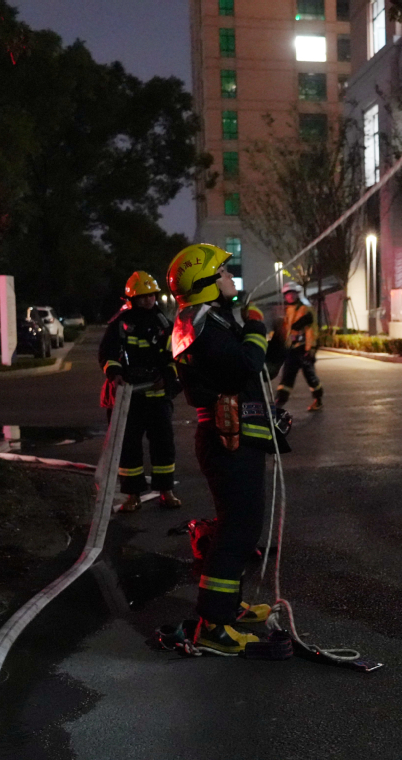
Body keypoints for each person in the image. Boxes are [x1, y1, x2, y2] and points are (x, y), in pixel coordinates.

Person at [168, 243, 291, 655]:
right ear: (205, 283)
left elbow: (259, 369)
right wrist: (255, 327)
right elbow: (244, 365)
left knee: (240, 528)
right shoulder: (203, 326)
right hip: (227, 443)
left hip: (236, 438)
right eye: (221, 272)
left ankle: (228, 607)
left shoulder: (212, 322)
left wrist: (278, 339)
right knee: (238, 530)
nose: (229, 276)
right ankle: (213, 625)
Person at [98, 271, 182, 513]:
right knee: (128, 447)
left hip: (158, 396)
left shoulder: (164, 324)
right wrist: (115, 373)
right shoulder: (120, 324)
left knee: (163, 445)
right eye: (143, 296)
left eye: (151, 295)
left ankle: (166, 491)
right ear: (132, 299)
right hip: (129, 396)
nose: (148, 300)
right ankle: (132, 495)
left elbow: (175, 355)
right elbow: (107, 353)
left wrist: (166, 377)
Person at [274, 282, 323, 412]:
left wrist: (310, 349)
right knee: (287, 376)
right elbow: (287, 330)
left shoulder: (306, 309)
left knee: (310, 376)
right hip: (292, 349)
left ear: (297, 294)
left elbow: (311, 330)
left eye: (292, 293)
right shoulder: (288, 309)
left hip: (304, 348)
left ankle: (318, 399)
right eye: (287, 294)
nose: (290, 296)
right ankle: (279, 402)